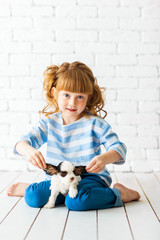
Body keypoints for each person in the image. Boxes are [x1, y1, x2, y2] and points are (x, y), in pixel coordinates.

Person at [7, 61, 140, 210]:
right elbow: (21, 143)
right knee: (33, 197)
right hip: (59, 180)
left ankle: (119, 194)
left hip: (89, 179)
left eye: (80, 97)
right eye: (66, 95)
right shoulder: (49, 123)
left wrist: (104, 159)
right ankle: (34, 190)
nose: (72, 102)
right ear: (55, 93)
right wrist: (29, 151)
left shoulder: (95, 124)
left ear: (88, 97)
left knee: (76, 202)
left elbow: (119, 148)